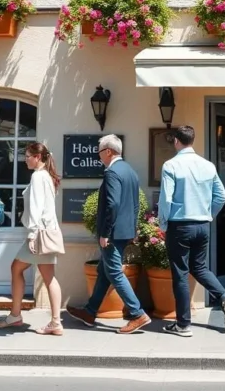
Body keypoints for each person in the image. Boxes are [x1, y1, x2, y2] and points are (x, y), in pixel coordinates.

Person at [157, 125, 225, 337]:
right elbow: (221, 195)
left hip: (180, 225)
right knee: (200, 267)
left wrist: (163, 224)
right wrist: (208, 214)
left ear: (176, 141)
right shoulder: (208, 165)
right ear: (192, 140)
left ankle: (183, 324)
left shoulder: (171, 165)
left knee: (180, 274)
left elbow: (166, 199)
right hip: (202, 225)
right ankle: (223, 296)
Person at [66, 134, 150, 334]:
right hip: (124, 231)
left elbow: (112, 204)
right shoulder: (130, 171)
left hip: (112, 233)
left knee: (113, 272)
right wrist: (134, 227)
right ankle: (90, 311)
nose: (98, 156)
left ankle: (138, 314)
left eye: (100, 152)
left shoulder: (112, 172)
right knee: (104, 272)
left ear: (109, 151)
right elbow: (136, 203)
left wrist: (105, 233)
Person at [0, 142, 64, 335]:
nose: (25, 159)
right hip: (46, 231)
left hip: (39, 233)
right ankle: (50, 320)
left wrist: (32, 235)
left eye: (27, 156)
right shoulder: (48, 177)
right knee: (47, 276)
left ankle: (18, 316)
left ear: (38, 157)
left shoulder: (38, 177)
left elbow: (36, 208)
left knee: (18, 269)